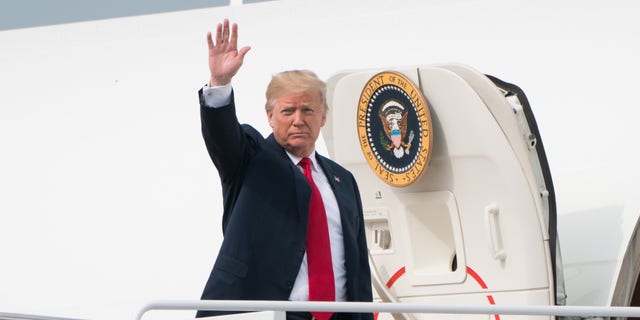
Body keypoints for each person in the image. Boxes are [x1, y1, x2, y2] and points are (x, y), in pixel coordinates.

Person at [195, 19, 373, 320]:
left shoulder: (343, 181)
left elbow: (357, 267)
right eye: (287, 111)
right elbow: (222, 134)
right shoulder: (251, 158)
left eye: (308, 110)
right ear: (270, 116)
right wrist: (220, 83)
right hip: (274, 315)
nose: (298, 120)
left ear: (323, 117)